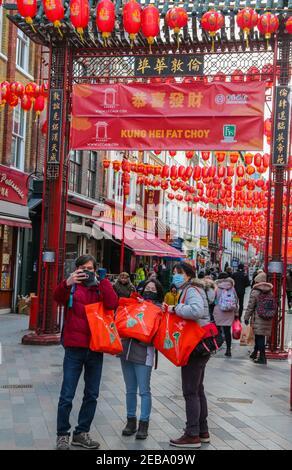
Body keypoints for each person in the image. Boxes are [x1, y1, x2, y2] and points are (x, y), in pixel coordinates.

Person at [54, 255, 118, 450]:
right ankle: (62, 434)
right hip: (74, 348)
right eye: (83, 268)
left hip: (95, 348)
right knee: (67, 394)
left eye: (90, 268)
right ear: (77, 269)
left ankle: (81, 433)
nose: (86, 271)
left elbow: (112, 303)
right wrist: (67, 282)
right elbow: (57, 298)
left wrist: (103, 280)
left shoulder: (100, 287)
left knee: (92, 394)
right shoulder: (72, 286)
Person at [164, 262, 211, 449]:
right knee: (198, 389)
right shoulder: (191, 289)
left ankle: (192, 435)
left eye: (178, 273)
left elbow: (196, 311)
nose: (175, 276)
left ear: (188, 275)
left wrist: (174, 309)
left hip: (195, 345)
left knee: (190, 391)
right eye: (174, 273)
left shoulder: (191, 290)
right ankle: (202, 431)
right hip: (200, 344)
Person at [120, 278, 163, 440]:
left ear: (158, 292)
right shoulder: (135, 303)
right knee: (130, 389)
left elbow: (157, 332)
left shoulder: (158, 309)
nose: (149, 290)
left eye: (153, 288)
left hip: (144, 352)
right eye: (147, 287)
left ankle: (144, 423)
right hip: (126, 351)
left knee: (144, 390)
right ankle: (131, 421)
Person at [244, 272, 275, 364]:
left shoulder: (255, 291)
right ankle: (255, 353)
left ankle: (262, 357)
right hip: (267, 317)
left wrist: (246, 317)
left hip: (258, 317)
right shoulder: (270, 291)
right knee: (260, 337)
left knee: (259, 337)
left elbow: (250, 306)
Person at [213, 272, 239, 358]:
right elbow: (236, 300)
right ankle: (228, 350)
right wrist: (236, 312)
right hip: (229, 312)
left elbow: (213, 299)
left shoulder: (217, 288)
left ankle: (215, 347)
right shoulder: (232, 287)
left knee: (217, 331)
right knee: (227, 331)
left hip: (219, 311)